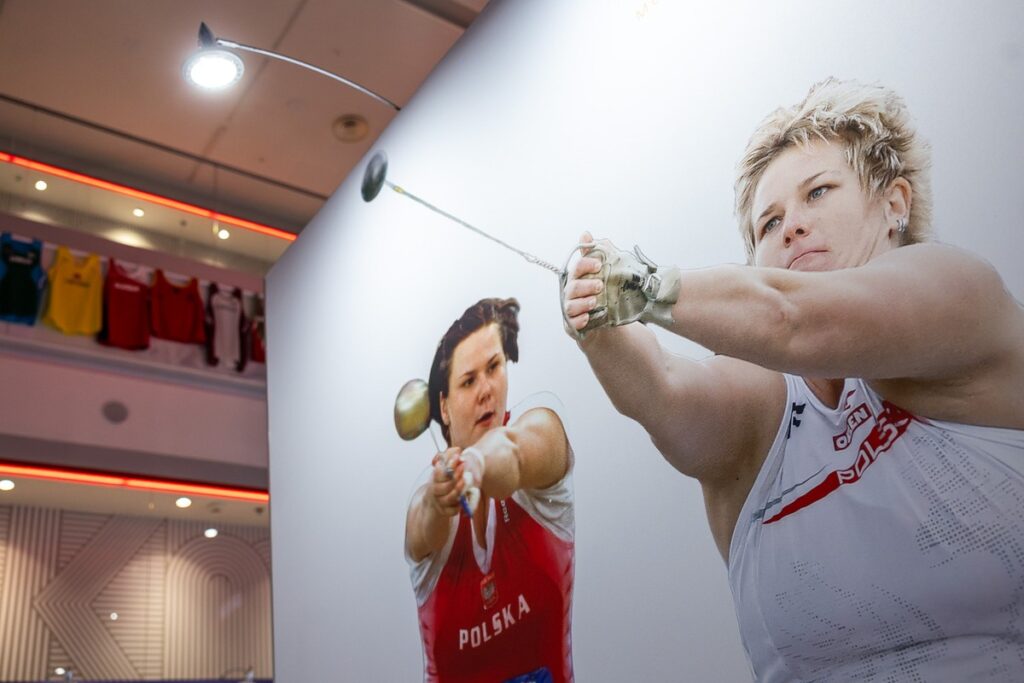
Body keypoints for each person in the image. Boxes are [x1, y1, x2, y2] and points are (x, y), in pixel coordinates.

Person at [562, 78, 1024, 681]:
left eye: (819, 192)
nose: (791, 227)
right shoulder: (766, 405)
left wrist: (644, 286)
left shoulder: (963, 295)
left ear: (894, 204)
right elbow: (664, 388)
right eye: (768, 222)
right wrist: (598, 323)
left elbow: (794, 318)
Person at [405, 297, 575, 683]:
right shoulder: (431, 496)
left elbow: (514, 453)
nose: (486, 390)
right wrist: (439, 497)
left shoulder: (541, 431)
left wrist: (476, 465)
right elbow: (424, 523)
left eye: (494, 368)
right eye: (468, 380)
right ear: (443, 408)